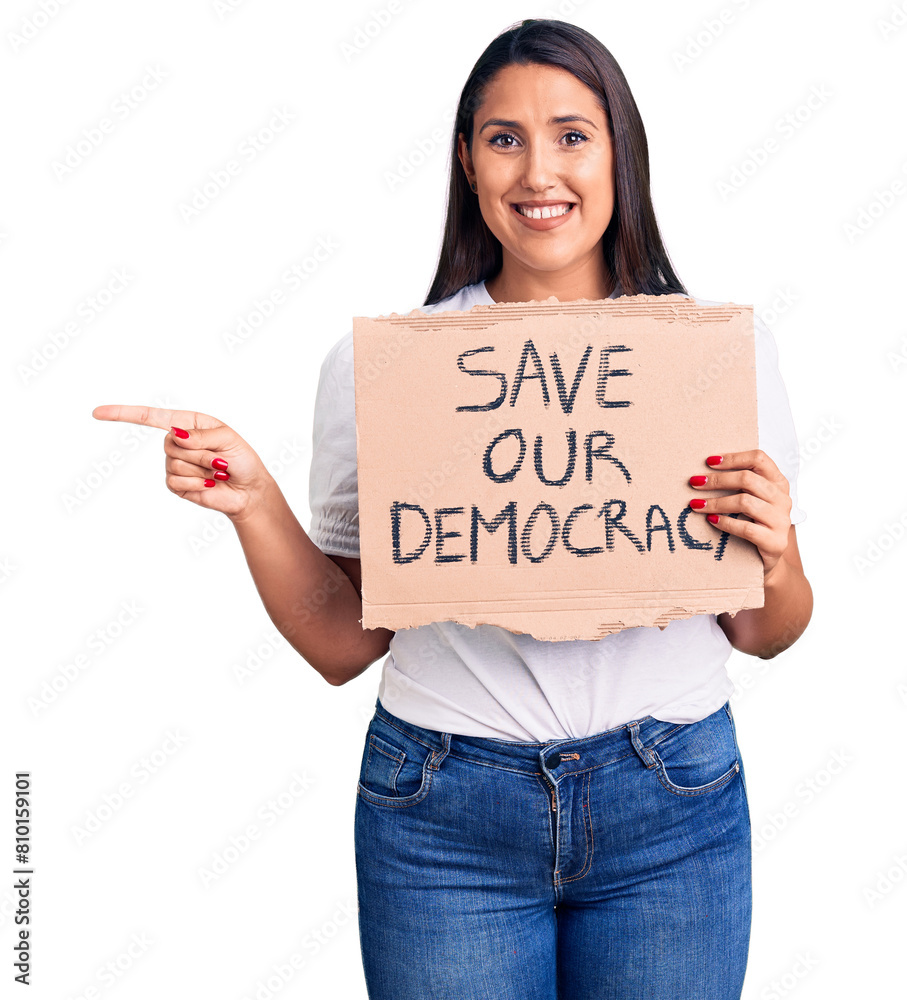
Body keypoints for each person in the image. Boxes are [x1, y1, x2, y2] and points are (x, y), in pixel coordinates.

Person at [94, 18, 813, 1000]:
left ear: (620, 155)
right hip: (442, 816)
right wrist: (253, 501)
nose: (538, 169)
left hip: (670, 803)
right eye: (504, 138)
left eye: (572, 133)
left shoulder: (713, 357)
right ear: (466, 163)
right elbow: (345, 645)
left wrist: (773, 558)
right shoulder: (387, 373)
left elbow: (765, 632)